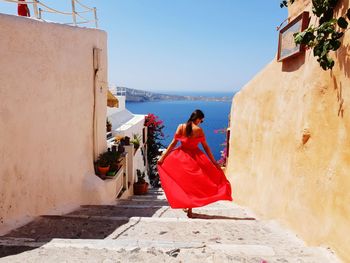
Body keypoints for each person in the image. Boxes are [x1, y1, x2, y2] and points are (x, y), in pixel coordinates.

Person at [157, 109, 232, 218]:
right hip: (195, 158)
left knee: (183, 183)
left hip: (180, 158)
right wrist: (213, 161)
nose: (201, 122)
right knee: (194, 185)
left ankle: (186, 204)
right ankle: (190, 208)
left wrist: (163, 157)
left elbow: (173, 144)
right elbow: (206, 147)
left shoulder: (181, 127)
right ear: (197, 119)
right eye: (201, 120)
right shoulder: (199, 130)